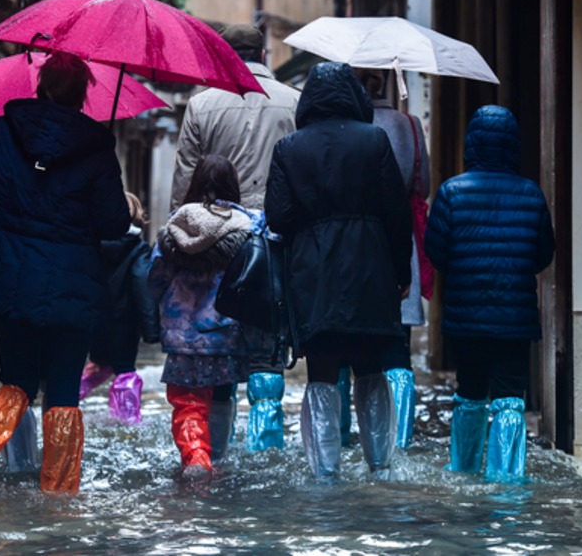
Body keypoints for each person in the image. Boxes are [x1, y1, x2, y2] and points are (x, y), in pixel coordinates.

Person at [0, 52, 131, 502]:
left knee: (16, 379)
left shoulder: (2, 130)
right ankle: (57, 500)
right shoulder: (96, 147)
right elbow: (115, 224)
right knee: (62, 391)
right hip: (71, 286)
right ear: (83, 96)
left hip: (9, 277)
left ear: (40, 87)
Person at [264, 62, 412, 480]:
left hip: (313, 274)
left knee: (323, 372)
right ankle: (380, 467)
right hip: (372, 268)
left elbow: (277, 217)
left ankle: (325, 473)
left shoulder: (290, 147)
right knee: (371, 366)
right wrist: (402, 273)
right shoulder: (375, 140)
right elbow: (396, 214)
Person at [170, 24, 300, 455]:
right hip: (273, 244)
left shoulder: (202, 104)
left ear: (223, 54)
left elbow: (185, 182)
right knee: (266, 353)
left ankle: (218, 456)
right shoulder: (293, 102)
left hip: (214, 241)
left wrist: (180, 243)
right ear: (263, 52)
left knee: (218, 355)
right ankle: (267, 456)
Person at [425, 104, 555, 482]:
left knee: (470, 392)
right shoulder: (532, 194)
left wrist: (467, 268)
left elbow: (436, 251)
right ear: (513, 145)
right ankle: (506, 481)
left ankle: (463, 470)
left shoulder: (452, 191)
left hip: (467, 316)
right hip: (515, 319)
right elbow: (544, 253)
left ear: (472, 143)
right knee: (510, 396)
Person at [335, 69, 430, 449]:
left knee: (340, 345)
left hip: (347, 246)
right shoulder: (408, 124)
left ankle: (340, 437)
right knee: (397, 345)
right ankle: (399, 439)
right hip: (396, 241)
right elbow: (422, 185)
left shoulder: (344, 128)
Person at [149, 155, 254, 476]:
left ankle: (196, 458)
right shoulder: (245, 227)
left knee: (186, 401)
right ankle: (215, 461)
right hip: (225, 330)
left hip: (181, 334)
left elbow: (155, 277)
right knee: (222, 395)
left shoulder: (176, 225)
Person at [78, 192, 160, 425]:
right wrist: (151, 330)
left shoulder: (91, 244)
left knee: (99, 364)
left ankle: (61, 400)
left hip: (93, 321)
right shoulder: (139, 250)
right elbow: (141, 286)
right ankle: (126, 421)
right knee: (125, 371)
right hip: (124, 324)